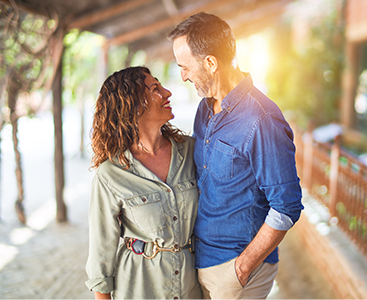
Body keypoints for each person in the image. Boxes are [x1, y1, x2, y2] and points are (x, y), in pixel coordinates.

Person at [168, 12, 304, 299]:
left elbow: (286, 206)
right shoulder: (204, 109)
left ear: (210, 62)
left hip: (236, 269)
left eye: (185, 67)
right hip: (201, 259)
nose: (182, 76)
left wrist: (242, 269)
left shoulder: (262, 120)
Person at [85, 66, 202, 299]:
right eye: (155, 89)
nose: (167, 93)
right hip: (138, 288)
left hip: (191, 287)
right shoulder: (110, 174)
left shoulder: (192, 152)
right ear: (132, 104)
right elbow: (101, 254)